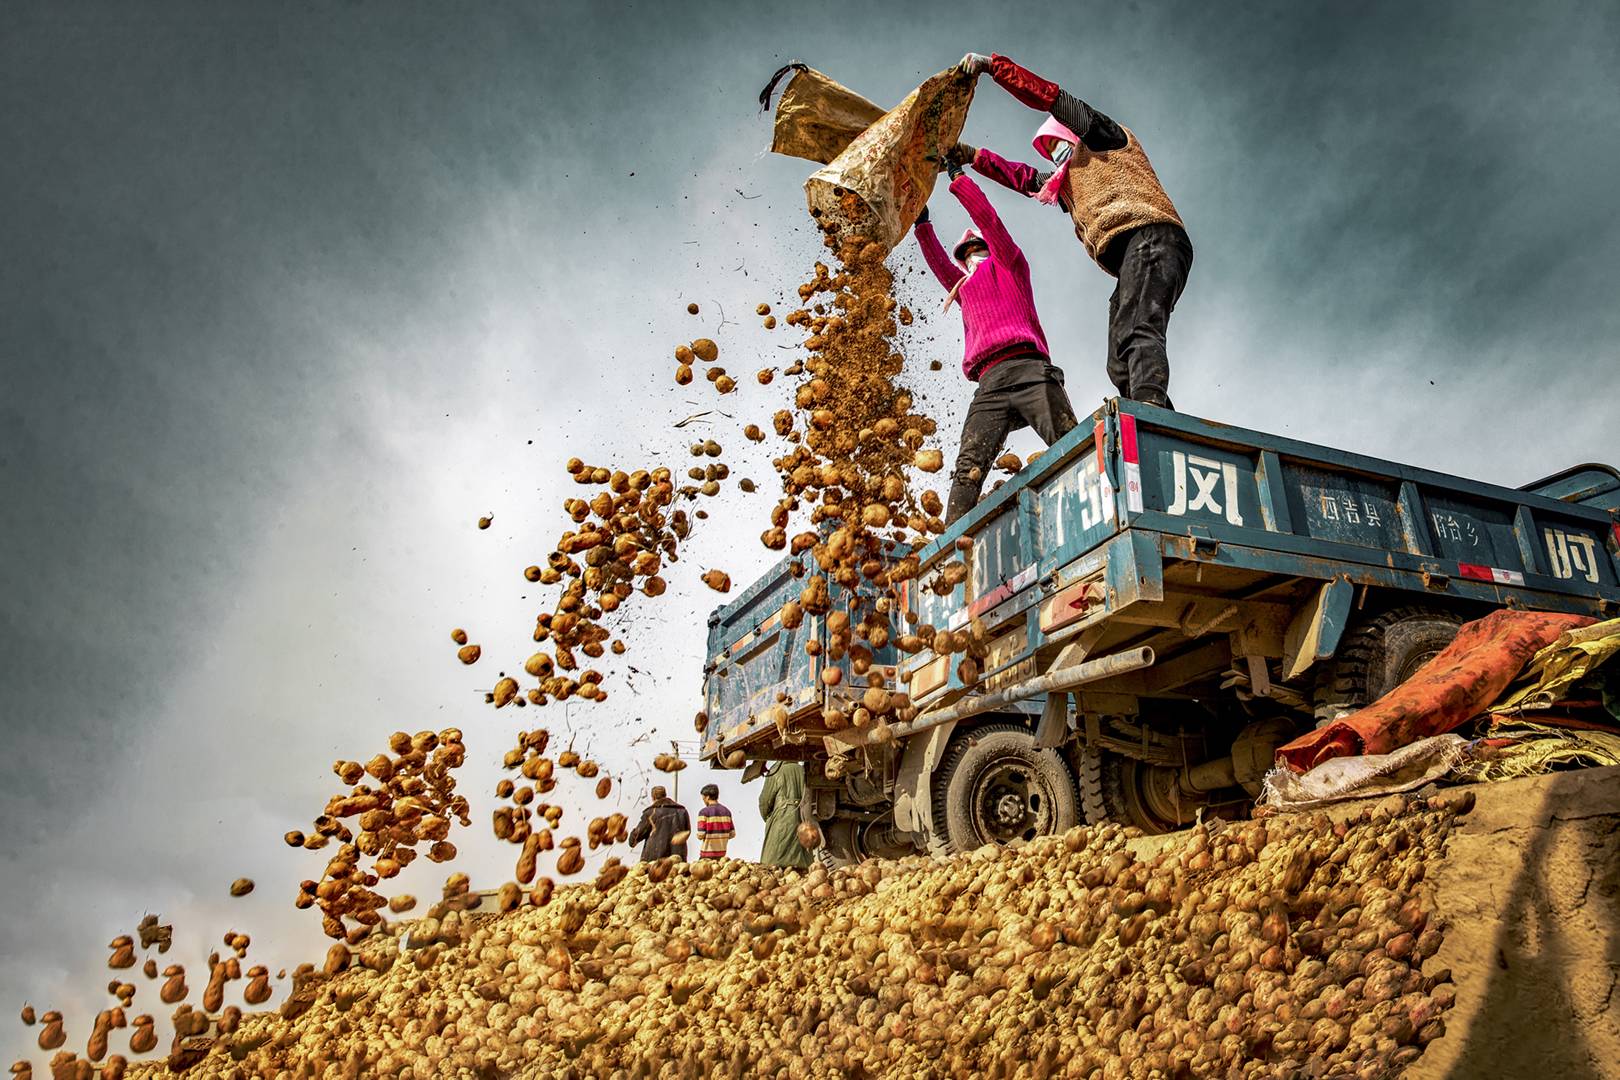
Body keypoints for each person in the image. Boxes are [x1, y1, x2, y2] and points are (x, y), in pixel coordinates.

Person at [953, 52, 1193, 411]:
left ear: (1070, 133)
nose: (1056, 156)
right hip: (1134, 253)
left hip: (1153, 236)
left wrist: (993, 67)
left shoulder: (1103, 139)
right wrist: (970, 155)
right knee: (1117, 355)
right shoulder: (1065, 182)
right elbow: (1020, 177)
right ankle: (1142, 417)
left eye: (1057, 143)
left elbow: (1051, 97)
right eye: (1050, 152)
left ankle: (1151, 409)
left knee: (1138, 329)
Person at [915, 157, 1079, 522]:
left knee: (1070, 443)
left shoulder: (1009, 263)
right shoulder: (962, 287)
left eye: (976, 248)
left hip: (1030, 370)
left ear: (987, 247)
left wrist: (958, 179)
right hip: (989, 384)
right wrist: (921, 222)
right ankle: (951, 551)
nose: (971, 256)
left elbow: (990, 220)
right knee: (968, 465)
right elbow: (939, 263)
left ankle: (1101, 502)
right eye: (965, 254)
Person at [758, 762, 813, 868]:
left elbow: (764, 802)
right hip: (803, 818)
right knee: (803, 866)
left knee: (773, 865)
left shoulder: (776, 771)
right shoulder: (805, 771)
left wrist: (770, 819)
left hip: (781, 821)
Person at [628, 785, 690, 863]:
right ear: (665, 795)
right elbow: (687, 832)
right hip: (677, 860)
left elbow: (635, 838)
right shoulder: (682, 811)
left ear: (653, 797)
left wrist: (632, 836)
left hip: (655, 862)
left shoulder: (650, 813)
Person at [694, 783, 736, 860]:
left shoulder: (703, 812)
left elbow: (701, 834)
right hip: (722, 855)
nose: (703, 800)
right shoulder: (727, 812)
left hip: (706, 856)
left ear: (707, 797)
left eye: (703, 798)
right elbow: (732, 834)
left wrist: (697, 835)